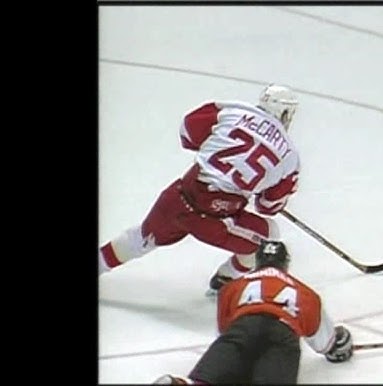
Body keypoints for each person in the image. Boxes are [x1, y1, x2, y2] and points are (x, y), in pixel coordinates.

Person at [98, 84, 301, 294]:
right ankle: (226, 278)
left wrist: (215, 150)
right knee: (269, 238)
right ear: (286, 113)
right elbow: (267, 207)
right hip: (217, 219)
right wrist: (257, 189)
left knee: (140, 238)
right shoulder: (290, 157)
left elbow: (188, 131)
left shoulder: (234, 110)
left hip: (178, 197)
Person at [152, 240, 354, 384]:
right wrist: (339, 346)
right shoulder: (306, 293)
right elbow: (326, 344)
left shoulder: (232, 287)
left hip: (242, 327)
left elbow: (224, 331)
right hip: (282, 334)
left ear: (258, 261)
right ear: (286, 264)